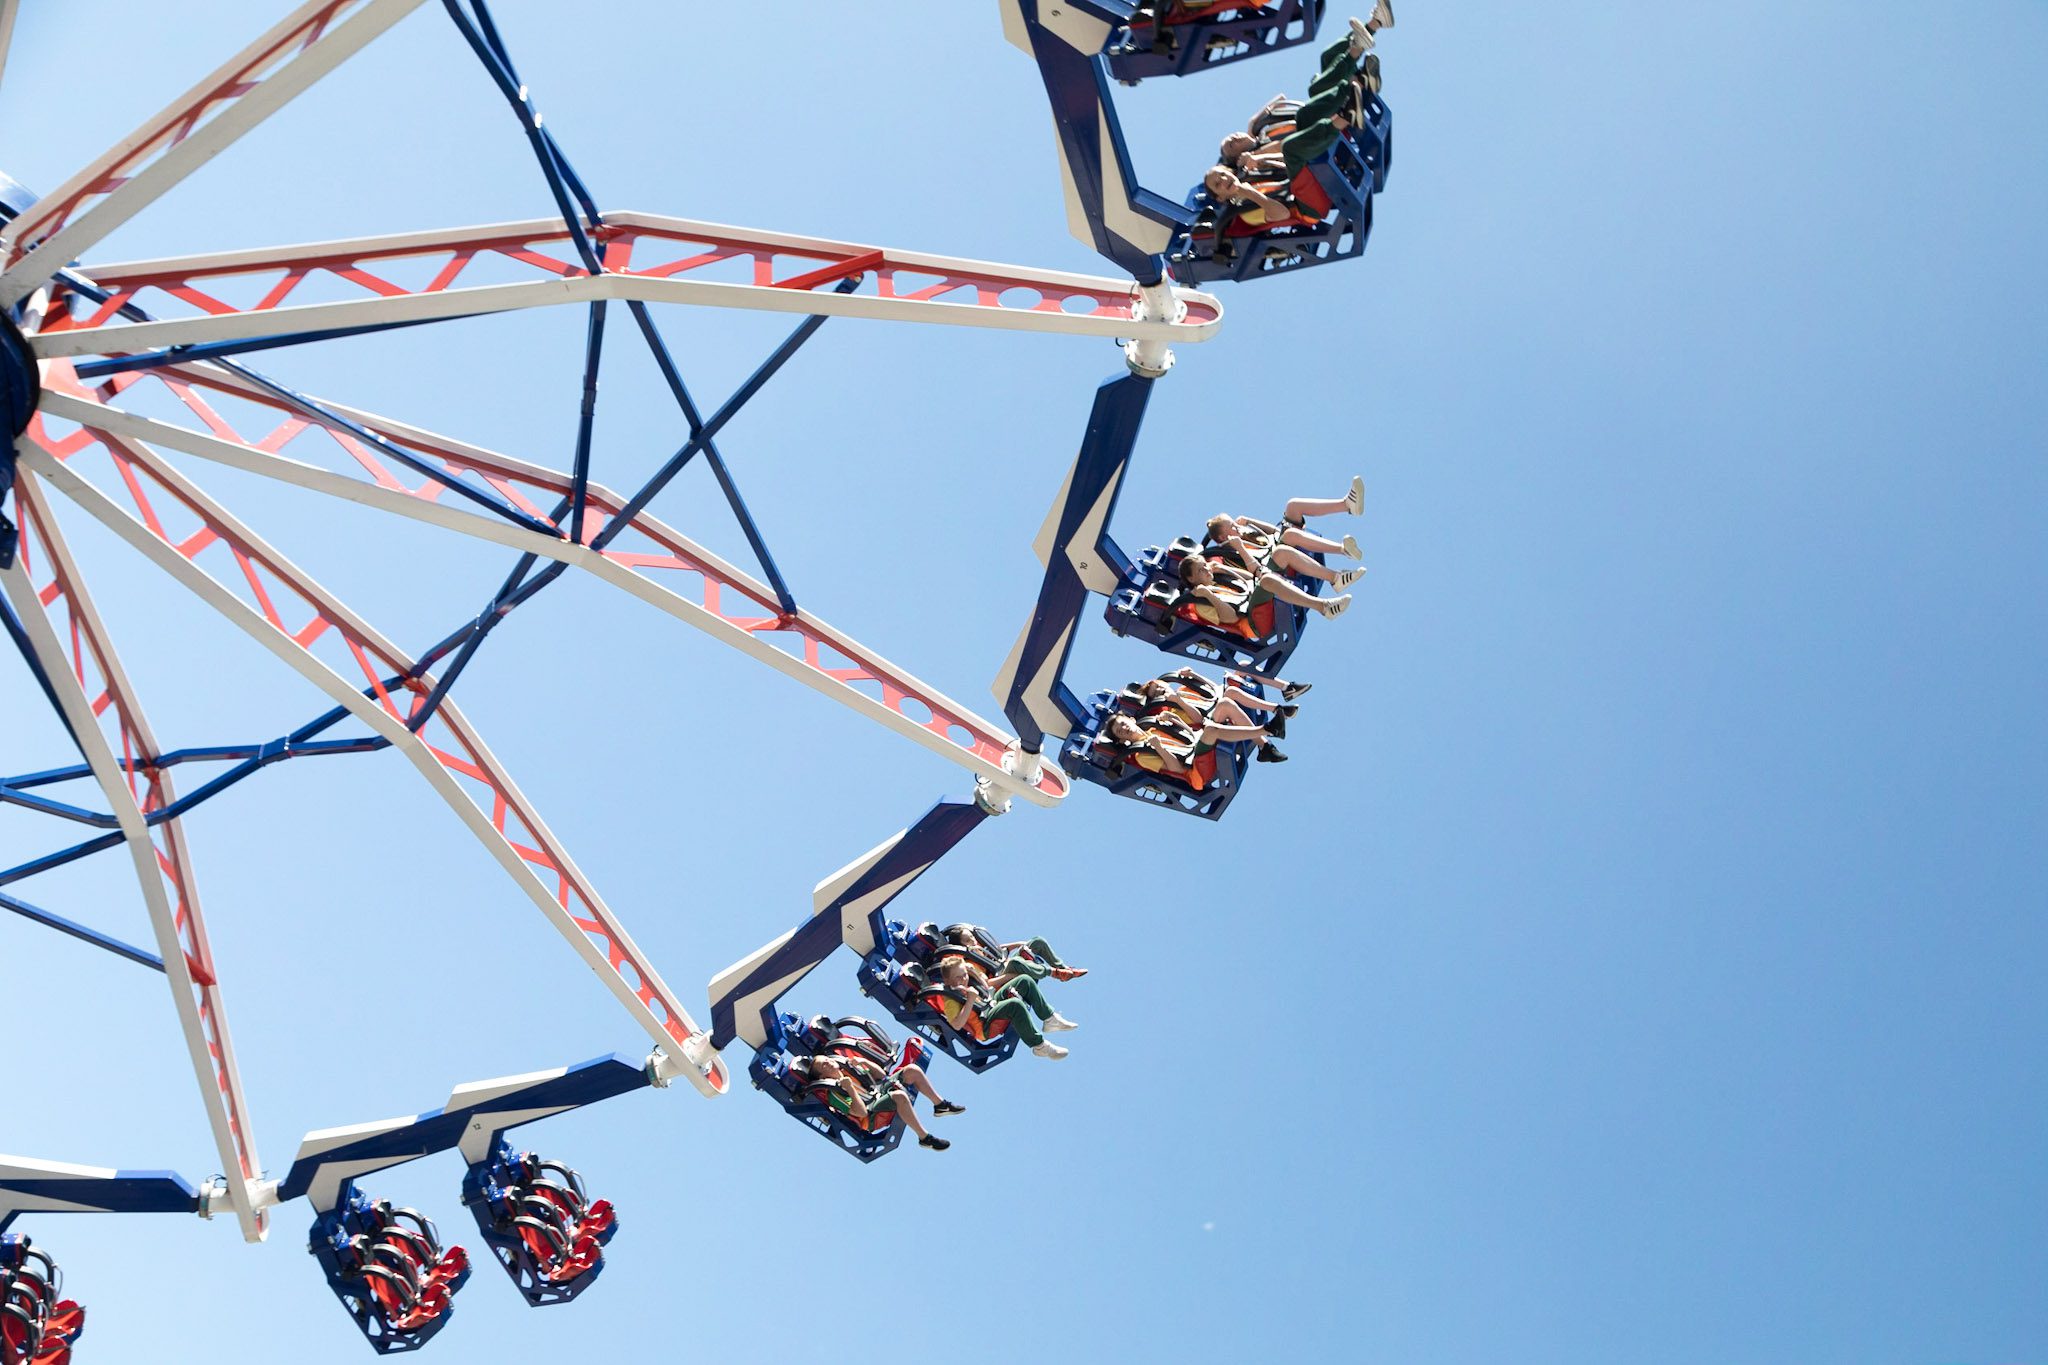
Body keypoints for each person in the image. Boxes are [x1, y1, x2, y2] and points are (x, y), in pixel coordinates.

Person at [793, 1050, 957, 1151]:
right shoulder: (833, 1093)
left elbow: (880, 1076)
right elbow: (861, 1112)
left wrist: (864, 1062)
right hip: (871, 1115)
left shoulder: (848, 1069)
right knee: (900, 1096)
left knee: (912, 1070)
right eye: (824, 1065)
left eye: (827, 1059)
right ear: (822, 1076)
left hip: (879, 1091)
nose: (829, 1062)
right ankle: (924, 1138)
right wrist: (849, 1089)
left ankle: (940, 1105)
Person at [935, 954, 1074, 1061]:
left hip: (989, 1003)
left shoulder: (967, 981)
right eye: (958, 977)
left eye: (964, 974)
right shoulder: (950, 999)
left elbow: (986, 987)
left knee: (1024, 980)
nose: (963, 979)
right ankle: (1040, 1046)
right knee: (1015, 1005)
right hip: (984, 1026)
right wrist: (970, 1000)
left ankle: (1049, 1019)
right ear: (947, 981)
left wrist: (974, 974)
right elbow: (957, 1025)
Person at [1177, 554, 1351, 631]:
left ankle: (1335, 577)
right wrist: (1209, 595)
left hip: (1257, 599)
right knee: (1267, 580)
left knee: (1278, 557)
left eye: (1205, 565)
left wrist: (1224, 569)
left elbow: (1248, 580)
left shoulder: (1217, 579)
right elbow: (1231, 618)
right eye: (1201, 570)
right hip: (1252, 621)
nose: (1207, 569)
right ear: (1192, 579)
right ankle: (1323, 607)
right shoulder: (1201, 602)